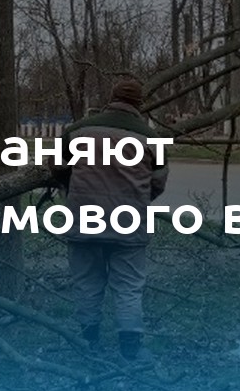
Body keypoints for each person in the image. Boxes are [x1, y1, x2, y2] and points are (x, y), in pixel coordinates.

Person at [53, 78, 168, 362]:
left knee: (86, 283)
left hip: (84, 220)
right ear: (139, 105)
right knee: (128, 287)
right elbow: (157, 183)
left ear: (111, 99)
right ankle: (131, 349)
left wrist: (72, 190)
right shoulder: (152, 139)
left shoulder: (77, 131)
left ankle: (88, 342)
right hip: (129, 224)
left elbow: (58, 168)